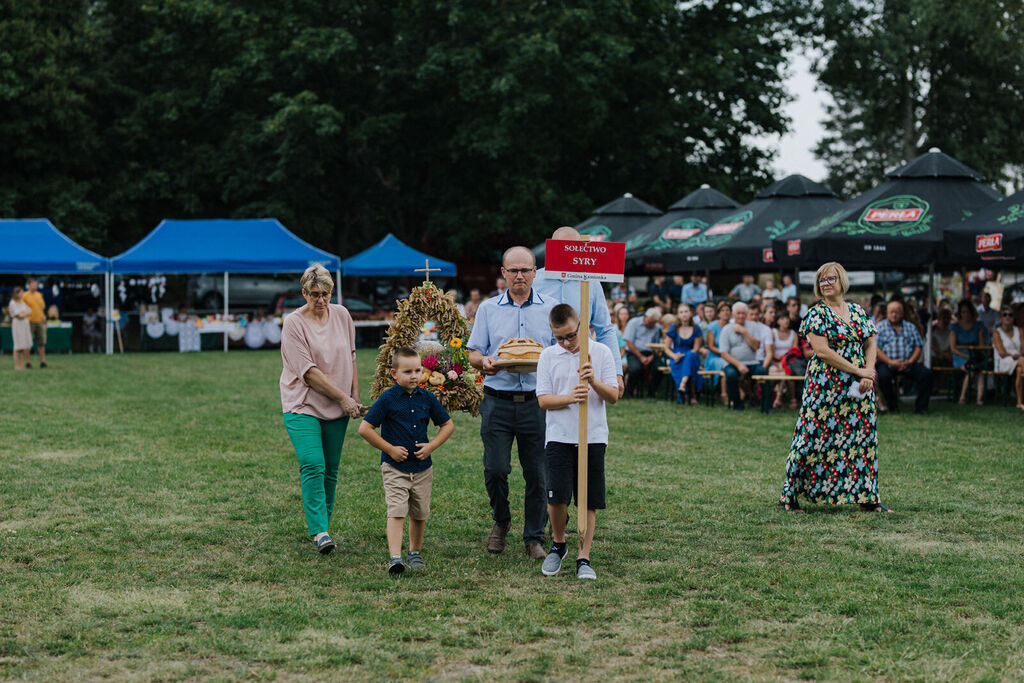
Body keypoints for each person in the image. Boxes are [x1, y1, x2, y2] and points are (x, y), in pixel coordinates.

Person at [778, 261, 890, 513]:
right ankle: (791, 495)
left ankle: (868, 499)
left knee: (862, 438)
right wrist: (858, 370)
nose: (825, 284)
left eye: (830, 279)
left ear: (842, 281)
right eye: (821, 280)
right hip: (825, 385)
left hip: (858, 385)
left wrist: (868, 373)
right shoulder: (816, 313)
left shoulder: (858, 311)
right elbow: (822, 351)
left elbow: (870, 342)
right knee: (811, 437)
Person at [467, 246, 555, 559]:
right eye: (513, 270)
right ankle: (501, 521)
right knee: (495, 469)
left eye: (525, 270)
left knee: (537, 473)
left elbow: (564, 351)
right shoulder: (488, 310)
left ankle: (534, 537)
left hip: (537, 402)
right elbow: (473, 352)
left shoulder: (552, 308)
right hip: (497, 401)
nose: (520, 276)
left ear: (535, 272)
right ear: (503, 273)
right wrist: (484, 362)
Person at [280, 265, 363, 555]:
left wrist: (354, 395)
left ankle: (323, 528)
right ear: (303, 293)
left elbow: (351, 355)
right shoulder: (293, 323)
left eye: (325, 294)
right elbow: (309, 372)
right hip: (302, 403)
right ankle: (319, 530)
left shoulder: (342, 315)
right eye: (314, 294)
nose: (321, 300)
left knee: (330, 469)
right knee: (313, 463)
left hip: (339, 403)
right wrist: (343, 398)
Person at [536, 304, 618, 580]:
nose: (566, 343)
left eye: (571, 336)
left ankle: (584, 557)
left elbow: (613, 396)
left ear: (581, 327)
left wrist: (593, 380)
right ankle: (558, 544)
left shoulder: (601, 352)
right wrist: (571, 397)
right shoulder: (548, 356)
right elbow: (544, 399)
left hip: (593, 436)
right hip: (559, 435)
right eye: (559, 337)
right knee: (557, 497)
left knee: (588, 499)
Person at [359, 348, 455, 574]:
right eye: (407, 371)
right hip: (395, 468)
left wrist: (431, 446)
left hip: (423, 468)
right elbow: (365, 428)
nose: (414, 376)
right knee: (397, 510)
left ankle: (415, 552)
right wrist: (390, 449)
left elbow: (447, 425)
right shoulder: (387, 399)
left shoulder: (427, 397)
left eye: (418, 370)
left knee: (420, 511)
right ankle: (395, 557)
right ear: (394, 373)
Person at [534, 226, 624, 397]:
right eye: (564, 247)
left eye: (574, 247)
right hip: (542, 367)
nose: (570, 252)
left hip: (581, 366)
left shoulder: (592, 282)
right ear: (551, 248)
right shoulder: (534, 281)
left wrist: (616, 373)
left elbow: (605, 329)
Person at [876, 300, 932, 415]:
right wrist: (891, 362)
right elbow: (876, 349)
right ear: (887, 313)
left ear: (902, 314)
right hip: (887, 363)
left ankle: (921, 408)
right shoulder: (880, 327)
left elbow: (918, 346)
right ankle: (893, 406)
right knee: (882, 376)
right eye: (891, 312)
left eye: (897, 312)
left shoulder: (910, 327)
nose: (894, 315)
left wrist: (910, 361)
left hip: (908, 363)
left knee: (926, 374)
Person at [718, 302, 767, 411]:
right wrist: (739, 365)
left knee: (763, 372)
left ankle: (765, 404)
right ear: (733, 314)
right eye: (738, 313)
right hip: (732, 363)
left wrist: (744, 332)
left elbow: (756, 346)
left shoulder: (753, 326)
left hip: (752, 362)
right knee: (731, 375)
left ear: (746, 314)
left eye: (743, 313)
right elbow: (724, 353)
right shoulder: (726, 329)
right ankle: (737, 404)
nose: (741, 316)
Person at [950, 299, 989, 405]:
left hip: (975, 354)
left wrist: (979, 354)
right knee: (972, 369)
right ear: (959, 313)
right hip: (960, 355)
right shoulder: (955, 327)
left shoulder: (978, 326)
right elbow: (953, 348)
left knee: (980, 369)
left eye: (967, 311)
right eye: (963, 312)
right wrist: (967, 355)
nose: (966, 314)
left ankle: (979, 399)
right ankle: (963, 397)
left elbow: (981, 345)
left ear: (972, 312)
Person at [665, 303, 703, 404]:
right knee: (685, 363)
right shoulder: (673, 328)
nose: (684, 314)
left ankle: (683, 385)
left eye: (686, 311)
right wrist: (674, 356)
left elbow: (696, 348)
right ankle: (690, 395)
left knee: (690, 357)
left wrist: (687, 356)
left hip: (692, 355)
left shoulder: (696, 329)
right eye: (681, 312)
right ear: (678, 315)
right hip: (678, 356)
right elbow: (666, 348)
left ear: (691, 313)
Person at [622, 307, 663, 398]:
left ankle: (651, 393)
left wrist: (652, 356)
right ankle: (629, 393)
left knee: (659, 369)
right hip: (634, 352)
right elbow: (629, 342)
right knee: (635, 369)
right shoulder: (634, 323)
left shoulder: (656, 327)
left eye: (654, 323)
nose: (652, 325)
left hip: (650, 354)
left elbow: (658, 344)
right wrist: (641, 357)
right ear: (645, 317)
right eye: (650, 322)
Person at [991, 306, 1024, 409]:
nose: (1007, 317)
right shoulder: (997, 333)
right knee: (1022, 362)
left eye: (1010, 315)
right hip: (1004, 360)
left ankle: (1019, 402)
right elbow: (1001, 352)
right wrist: (1013, 356)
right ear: (1000, 318)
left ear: (1013, 318)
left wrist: (1019, 355)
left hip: (1019, 360)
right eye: (1004, 315)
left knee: (1020, 369)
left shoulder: (1020, 330)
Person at [703, 300, 733, 403]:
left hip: (731, 355)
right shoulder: (713, 326)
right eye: (723, 310)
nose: (726, 312)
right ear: (719, 313)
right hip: (715, 357)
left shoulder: (733, 326)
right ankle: (724, 395)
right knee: (726, 366)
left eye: (728, 310)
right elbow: (711, 346)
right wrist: (724, 354)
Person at [769, 310, 798, 409]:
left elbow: (794, 351)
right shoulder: (773, 332)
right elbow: (770, 351)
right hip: (775, 361)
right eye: (782, 319)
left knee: (786, 370)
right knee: (776, 370)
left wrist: (785, 356)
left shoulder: (793, 334)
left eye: (787, 318)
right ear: (778, 321)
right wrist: (777, 357)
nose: (786, 321)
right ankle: (785, 398)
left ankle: (778, 397)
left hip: (788, 362)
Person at [23, 277, 47, 368]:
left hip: (40, 322)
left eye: (36, 285)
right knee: (28, 343)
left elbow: (42, 309)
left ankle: (43, 361)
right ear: (29, 285)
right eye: (33, 284)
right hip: (29, 322)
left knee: (41, 343)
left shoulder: (39, 295)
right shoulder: (24, 296)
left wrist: (45, 322)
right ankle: (28, 362)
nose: (35, 286)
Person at [8, 287, 32, 370]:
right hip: (17, 325)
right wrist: (24, 314)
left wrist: (24, 314)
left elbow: (30, 311)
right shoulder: (12, 303)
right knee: (17, 346)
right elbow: (19, 315)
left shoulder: (22, 302)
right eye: (21, 293)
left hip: (24, 325)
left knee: (22, 346)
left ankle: (21, 365)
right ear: (16, 293)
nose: (22, 294)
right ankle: (16, 365)